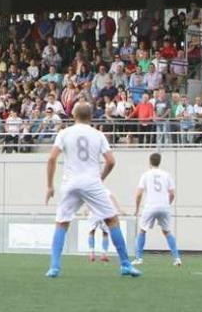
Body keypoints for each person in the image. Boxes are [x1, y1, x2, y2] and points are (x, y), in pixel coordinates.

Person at [44, 102, 140, 278]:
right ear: (91, 117)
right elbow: (111, 161)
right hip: (92, 182)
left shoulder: (64, 133)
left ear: (73, 115)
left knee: (62, 223)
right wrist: (101, 178)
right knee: (112, 221)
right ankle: (125, 264)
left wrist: (50, 185)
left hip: (71, 182)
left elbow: (51, 158)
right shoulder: (98, 134)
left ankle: (54, 267)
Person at [132, 153, 181, 267]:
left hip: (150, 206)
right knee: (167, 231)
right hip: (164, 206)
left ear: (150, 162)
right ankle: (177, 258)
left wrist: (137, 209)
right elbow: (172, 194)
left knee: (142, 230)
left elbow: (139, 194)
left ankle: (139, 258)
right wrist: (166, 204)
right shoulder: (166, 175)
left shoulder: (146, 175)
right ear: (160, 162)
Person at [86, 191, 122, 263]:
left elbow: (88, 200)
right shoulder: (104, 190)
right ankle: (104, 254)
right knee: (105, 233)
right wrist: (118, 209)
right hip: (103, 212)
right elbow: (112, 198)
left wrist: (87, 209)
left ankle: (91, 253)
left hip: (94, 212)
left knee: (91, 231)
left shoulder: (92, 189)